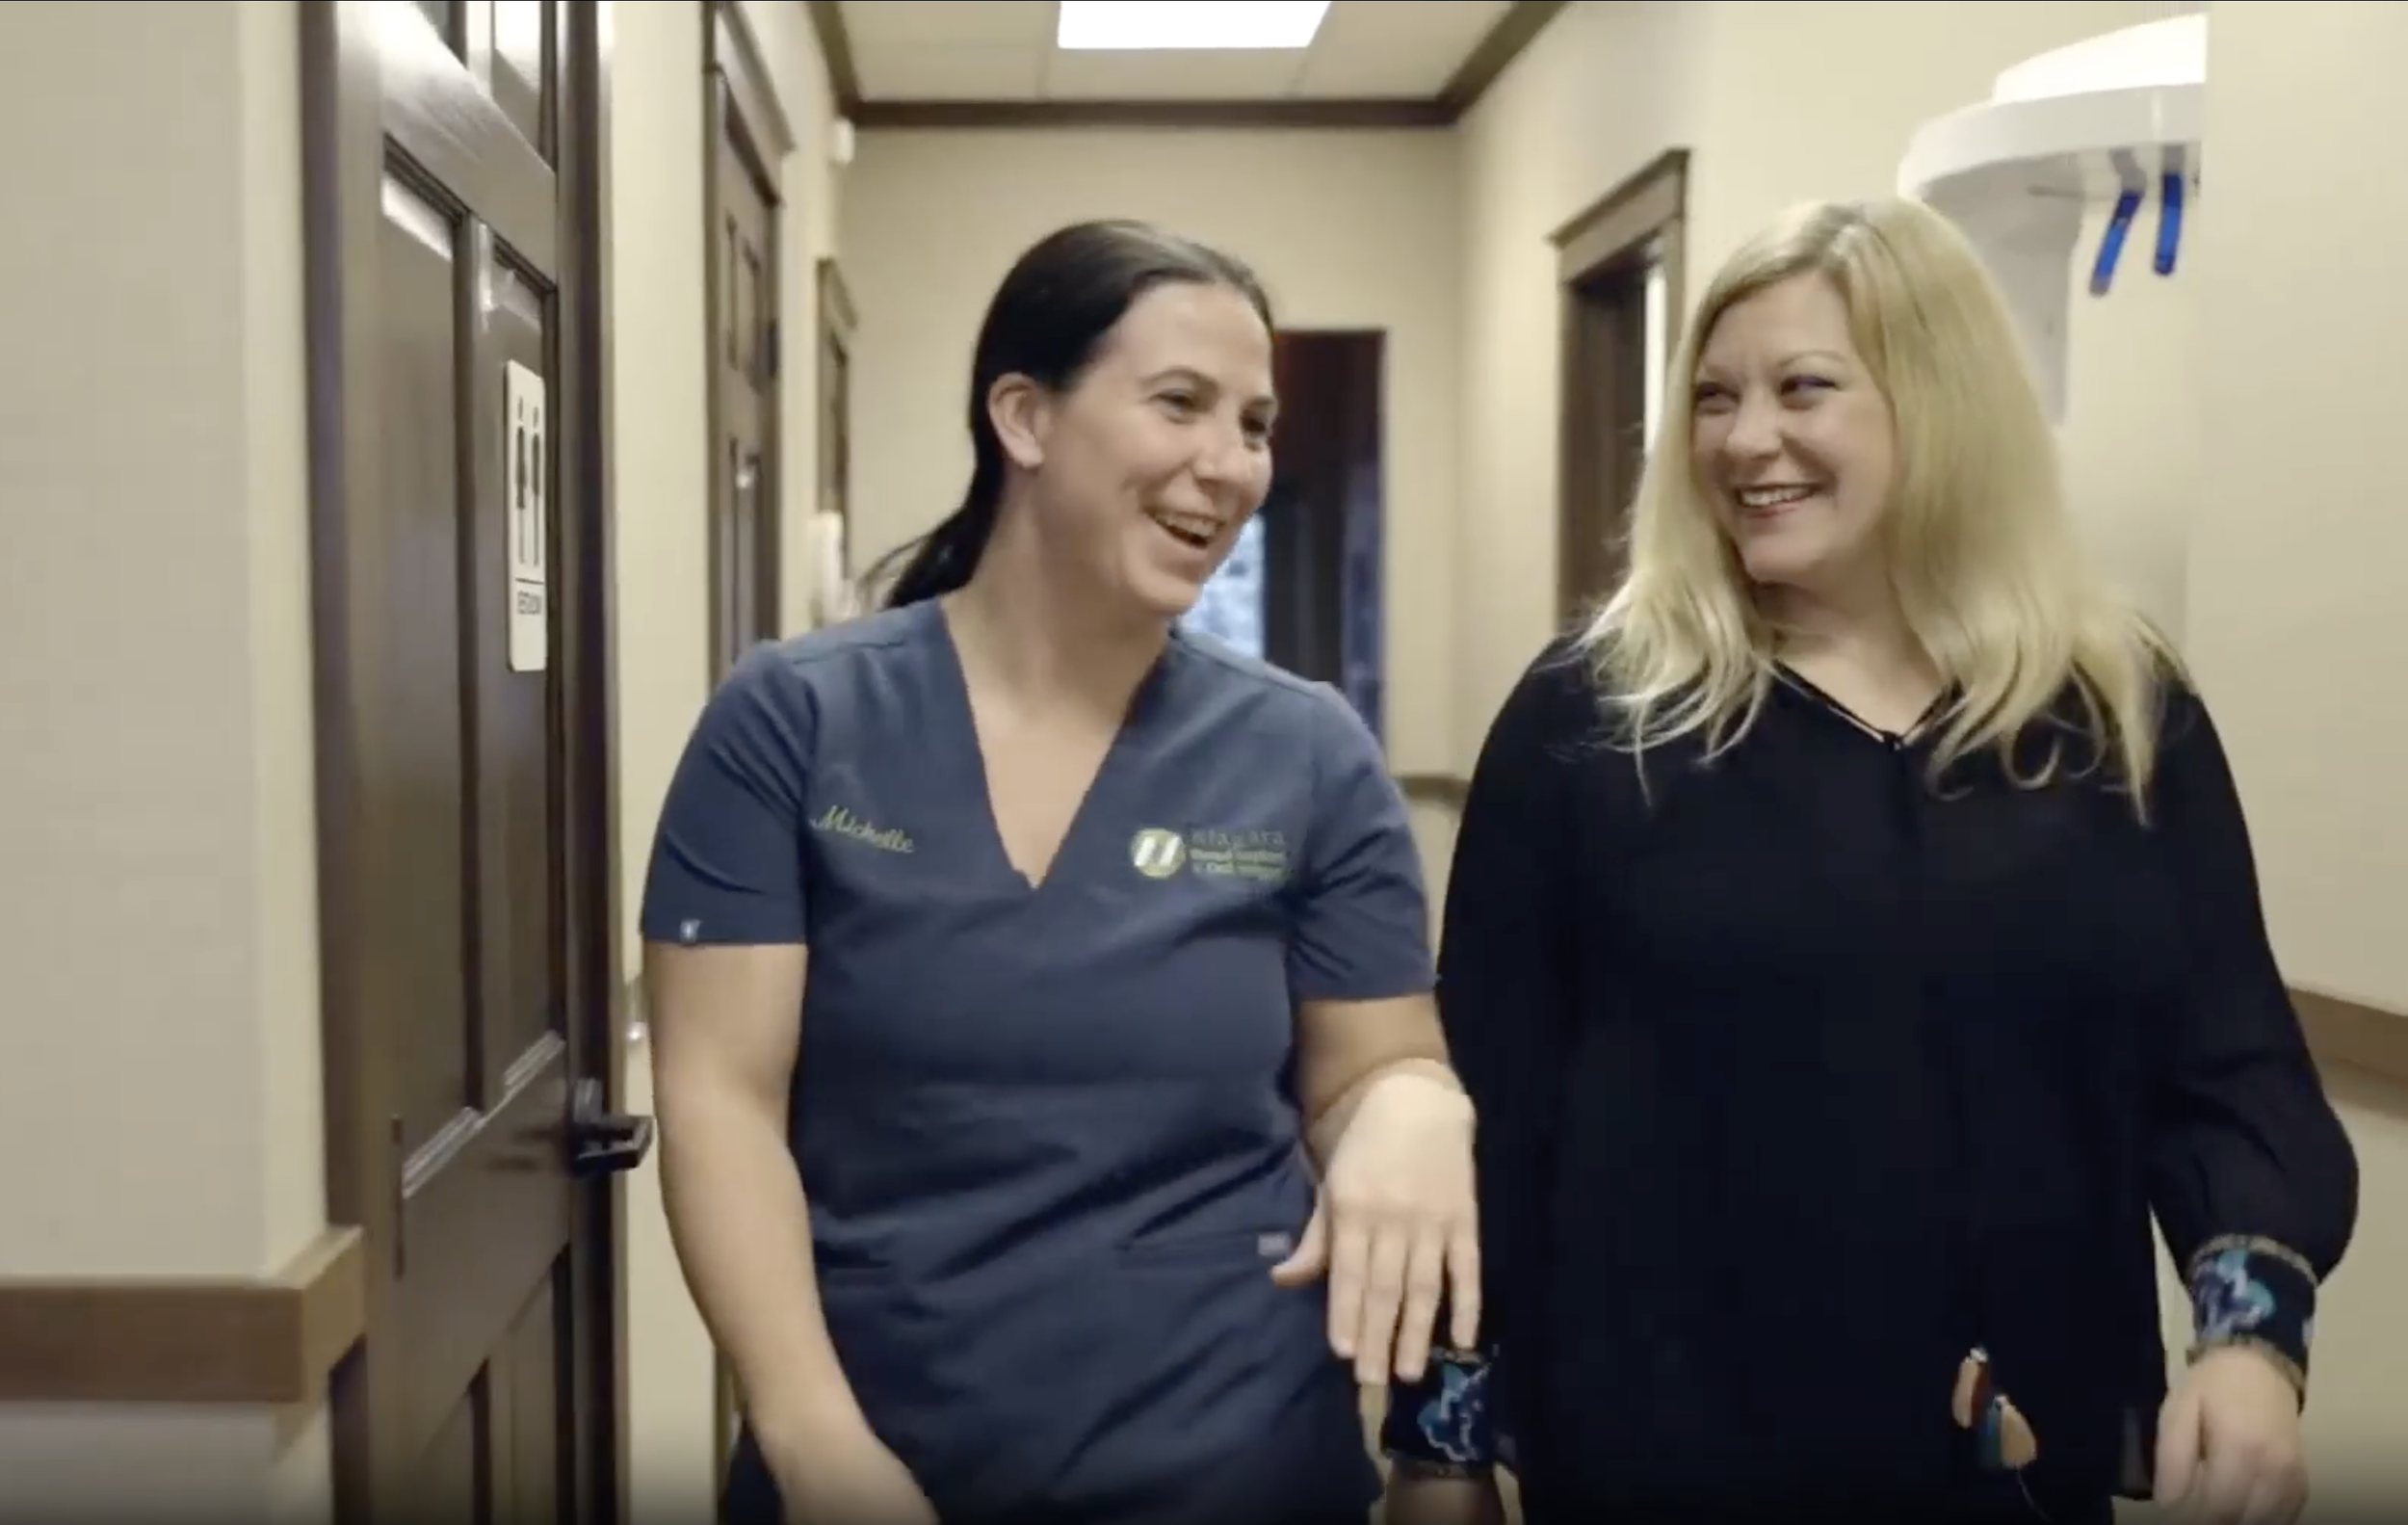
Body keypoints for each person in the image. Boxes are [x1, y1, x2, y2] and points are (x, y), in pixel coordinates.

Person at [1382, 197, 2359, 1525]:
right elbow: (1494, 1103)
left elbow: (2230, 1070)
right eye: (1715, 397)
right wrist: (1440, 1449)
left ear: (1937, 402)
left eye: (1803, 389)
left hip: (2013, 1449)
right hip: (1662, 1447)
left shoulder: (2115, 717)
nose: (1744, 439)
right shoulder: (1593, 718)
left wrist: (2250, 1344)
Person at [640, 218, 1479, 1525]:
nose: (1231, 465)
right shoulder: (796, 723)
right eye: (1180, 405)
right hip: (886, 1452)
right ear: (1023, 418)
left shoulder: (1306, 753)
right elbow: (717, 1097)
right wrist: (813, 1440)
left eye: (1254, 423)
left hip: (1239, 1461)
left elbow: (1368, 1074)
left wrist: (1419, 1102)